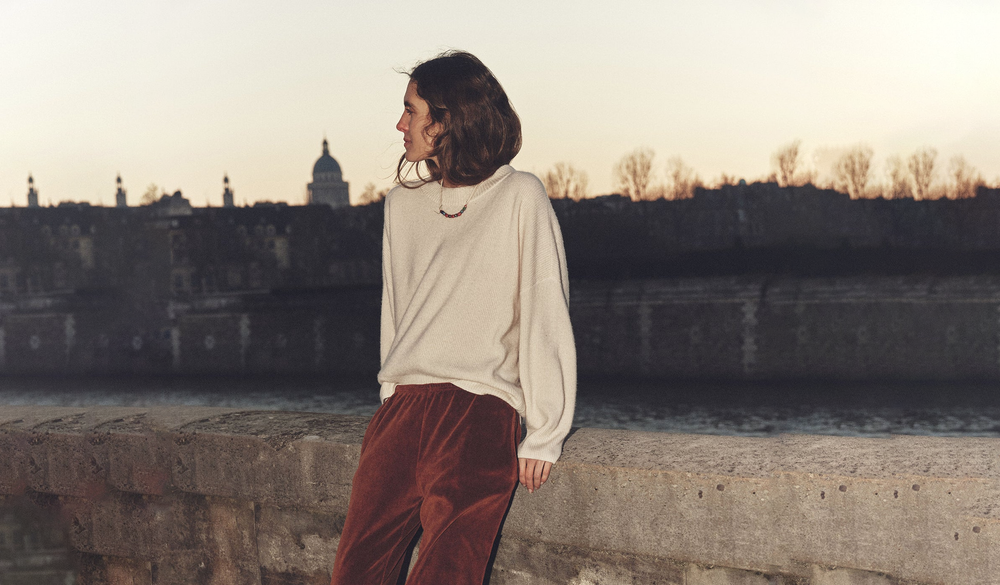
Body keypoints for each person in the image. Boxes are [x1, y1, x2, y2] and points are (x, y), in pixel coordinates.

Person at [329, 50, 576, 585]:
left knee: (448, 573)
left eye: (411, 110)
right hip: (403, 412)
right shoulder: (402, 203)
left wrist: (545, 431)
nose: (400, 123)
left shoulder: (519, 195)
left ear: (446, 120)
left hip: (479, 412)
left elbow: (543, 312)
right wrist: (391, 395)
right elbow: (397, 308)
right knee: (354, 573)